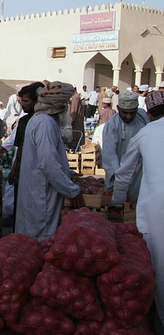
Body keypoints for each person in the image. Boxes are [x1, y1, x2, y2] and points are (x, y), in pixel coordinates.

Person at [112, 91, 164, 334]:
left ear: (149, 113)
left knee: (159, 262)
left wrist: (117, 201)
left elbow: (124, 174)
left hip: (157, 208)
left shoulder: (146, 132)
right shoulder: (131, 128)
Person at [15, 81, 84, 241]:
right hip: (41, 195)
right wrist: (72, 191)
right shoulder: (44, 123)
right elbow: (49, 165)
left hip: (37, 192)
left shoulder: (41, 120)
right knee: (41, 243)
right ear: (60, 106)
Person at [8, 82, 45, 231]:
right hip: (23, 170)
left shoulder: (43, 121)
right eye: (21, 101)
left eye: (26, 101)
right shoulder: (23, 121)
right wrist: (15, 169)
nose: (23, 105)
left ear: (36, 101)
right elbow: (19, 148)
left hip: (37, 171)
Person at [102, 91, 149, 202]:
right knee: (118, 203)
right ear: (118, 108)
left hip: (140, 170)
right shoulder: (112, 125)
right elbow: (109, 156)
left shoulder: (142, 117)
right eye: (125, 113)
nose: (128, 116)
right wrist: (120, 181)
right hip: (119, 172)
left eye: (132, 113)